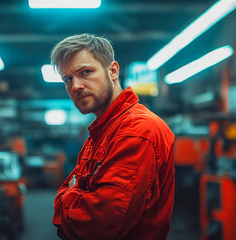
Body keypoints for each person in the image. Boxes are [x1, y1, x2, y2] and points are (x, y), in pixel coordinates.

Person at [50, 33, 175, 240]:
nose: (75, 86)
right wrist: (76, 197)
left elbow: (99, 226)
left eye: (86, 72)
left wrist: (66, 199)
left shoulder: (136, 130)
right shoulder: (100, 133)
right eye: (67, 79)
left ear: (113, 71)